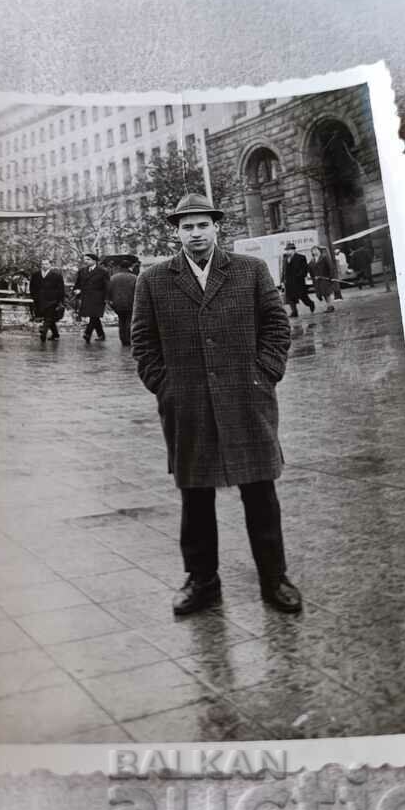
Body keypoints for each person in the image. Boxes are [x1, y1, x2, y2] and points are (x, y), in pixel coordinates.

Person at [131, 192, 302, 618]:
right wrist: (165, 388)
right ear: (176, 232)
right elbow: (143, 343)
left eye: (202, 225)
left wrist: (264, 376)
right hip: (188, 406)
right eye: (186, 226)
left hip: (248, 400)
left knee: (261, 493)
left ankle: (274, 578)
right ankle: (202, 581)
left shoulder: (250, 270)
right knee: (196, 497)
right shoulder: (153, 280)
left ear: (216, 226)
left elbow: (277, 328)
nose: (195, 234)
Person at [73, 254, 109, 343]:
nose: (85, 261)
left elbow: (107, 286)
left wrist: (107, 298)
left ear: (94, 261)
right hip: (86, 296)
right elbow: (78, 283)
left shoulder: (102, 271)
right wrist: (77, 290)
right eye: (85, 259)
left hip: (98, 297)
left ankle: (87, 333)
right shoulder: (82, 271)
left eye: (88, 259)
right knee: (94, 316)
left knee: (94, 315)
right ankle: (101, 335)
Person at [29, 258, 65, 342]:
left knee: (48, 317)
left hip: (52, 300)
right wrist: (34, 296)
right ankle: (55, 334)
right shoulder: (36, 275)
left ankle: (43, 332)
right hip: (40, 300)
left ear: (50, 265)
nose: (44, 266)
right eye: (43, 264)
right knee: (49, 318)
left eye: (46, 264)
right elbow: (32, 287)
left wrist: (60, 301)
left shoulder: (56, 275)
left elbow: (61, 289)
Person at [281, 241, 315, 317]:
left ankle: (310, 303)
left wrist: (299, 276)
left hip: (298, 282)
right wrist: (282, 280)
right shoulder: (285, 259)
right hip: (289, 282)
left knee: (303, 297)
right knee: (290, 298)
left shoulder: (301, 257)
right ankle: (294, 312)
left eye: (289, 250)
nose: (287, 251)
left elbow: (304, 269)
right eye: (287, 250)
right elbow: (283, 271)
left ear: (293, 250)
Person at [107, 263, 137, 346]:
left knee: (121, 320)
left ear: (120, 267)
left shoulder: (113, 278)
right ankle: (128, 338)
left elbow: (108, 290)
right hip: (130, 302)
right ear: (129, 267)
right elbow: (137, 291)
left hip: (117, 303)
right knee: (129, 320)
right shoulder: (134, 277)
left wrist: (110, 301)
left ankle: (123, 339)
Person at [308, 245, 335, 313]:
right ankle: (329, 306)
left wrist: (331, 277)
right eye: (313, 250)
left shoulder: (324, 257)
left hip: (325, 278)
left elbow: (330, 267)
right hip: (317, 280)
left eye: (316, 250)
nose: (315, 251)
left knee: (327, 293)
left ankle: (330, 306)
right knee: (322, 294)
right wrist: (312, 278)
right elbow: (311, 270)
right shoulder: (312, 261)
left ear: (319, 250)